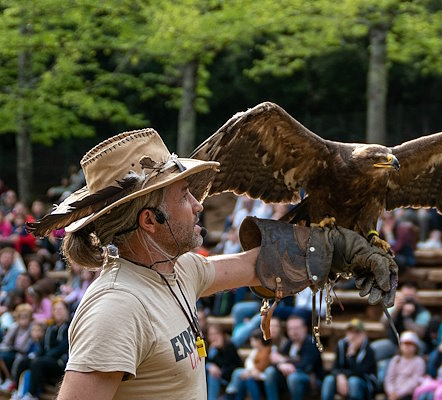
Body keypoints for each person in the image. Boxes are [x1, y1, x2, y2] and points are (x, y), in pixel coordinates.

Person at [26, 129, 395, 399]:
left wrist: (346, 249)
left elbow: (259, 264)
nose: (199, 204)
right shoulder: (117, 307)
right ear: (150, 221)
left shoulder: (177, 271)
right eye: (185, 195)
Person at [263, 314, 324, 400]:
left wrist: (284, 361)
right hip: (290, 379)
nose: (294, 332)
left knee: (293, 377)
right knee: (270, 371)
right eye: (290, 329)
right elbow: (276, 361)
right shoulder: (289, 343)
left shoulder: (311, 343)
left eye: (296, 328)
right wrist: (281, 365)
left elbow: (306, 366)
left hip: (311, 381)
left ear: (304, 329)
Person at [321, 319, 377, 400]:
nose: (353, 336)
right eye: (350, 332)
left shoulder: (369, 350)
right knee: (328, 380)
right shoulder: (341, 345)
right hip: (343, 380)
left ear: (364, 334)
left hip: (364, 383)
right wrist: (340, 376)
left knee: (353, 382)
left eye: (357, 333)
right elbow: (335, 367)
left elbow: (361, 372)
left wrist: (352, 356)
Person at [226, 330, 271, 400]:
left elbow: (262, 366)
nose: (251, 343)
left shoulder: (267, 351)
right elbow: (248, 363)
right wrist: (250, 371)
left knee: (241, 375)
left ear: (259, 341)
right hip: (253, 374)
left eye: (252, 340)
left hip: (263, 377)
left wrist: (251, 372)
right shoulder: (255, 351)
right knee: (242, 378)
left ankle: (231, 393)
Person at [383, 331, 425, 400]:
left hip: (408, 394)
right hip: (392, 393)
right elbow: (389, 377)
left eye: (410, 344)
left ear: (415, 346)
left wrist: (399, 394)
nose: (407, 346)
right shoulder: (396, 360)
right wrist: (391, 391)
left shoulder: (419, 361)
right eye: (405, 344)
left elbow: (415, 381)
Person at [205, 324, 243, 400]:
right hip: (218, 378)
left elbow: (231, 365)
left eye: (216, 334)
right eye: (211, 335)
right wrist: (210, 365)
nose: (214, 337)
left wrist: (218, 351)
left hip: (231, 377)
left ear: (222, 334)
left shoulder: (229, 345)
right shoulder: (210, 348)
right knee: (212, 373)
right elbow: (205, 362)